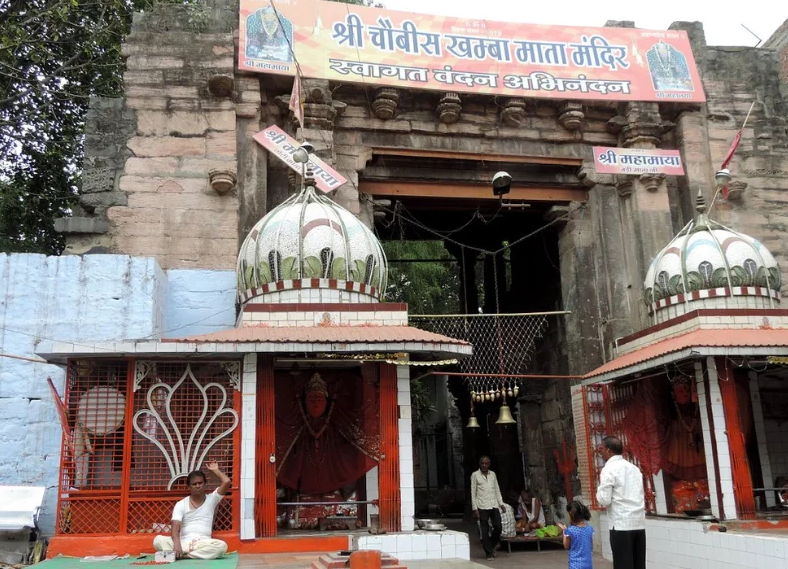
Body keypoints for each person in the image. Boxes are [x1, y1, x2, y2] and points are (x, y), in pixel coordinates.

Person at [153, 461, 231, 560]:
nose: (198, 486)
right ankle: (186, 553)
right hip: (183, 542)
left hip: (202, 543)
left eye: (200, 483)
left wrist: (216, 470)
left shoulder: (212, 499)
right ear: (189, 487)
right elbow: (175, 527)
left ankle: (184, 555)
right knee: (157, 540)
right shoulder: (181, 504)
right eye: (194, 484)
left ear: (205, 484)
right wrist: (177, 545)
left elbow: (227, 482)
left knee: (221, 546)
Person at [596, 436, 646, 569]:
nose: (600, 452)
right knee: (638, 564)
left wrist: (599, 490)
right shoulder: (634, 468)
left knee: (623, 565)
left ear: (608, 450)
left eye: (601, 449)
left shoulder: (608, 469)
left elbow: (604, 499)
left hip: (620, 525)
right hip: (638, 523)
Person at [470, 456, 505, 560]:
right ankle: (489, 553)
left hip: (493, 504)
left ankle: (491, 545)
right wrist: (474, 508)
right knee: (484, 530)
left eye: (486, 464)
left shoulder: (492, 474)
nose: (484, 465)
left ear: (489, 465)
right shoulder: (475, 475)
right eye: (482, 463)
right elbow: (473, 492)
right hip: (482, 506)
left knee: (498, 526)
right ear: (479, 464)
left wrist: (501, 503)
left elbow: (497, 489)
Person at [557, 501, 594, 569]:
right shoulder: (589, 528)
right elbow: (591, 546)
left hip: (575, 565)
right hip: (588, 564)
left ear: (570, 514)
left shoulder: (570, 530)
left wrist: (564, 531)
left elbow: (566, 546)